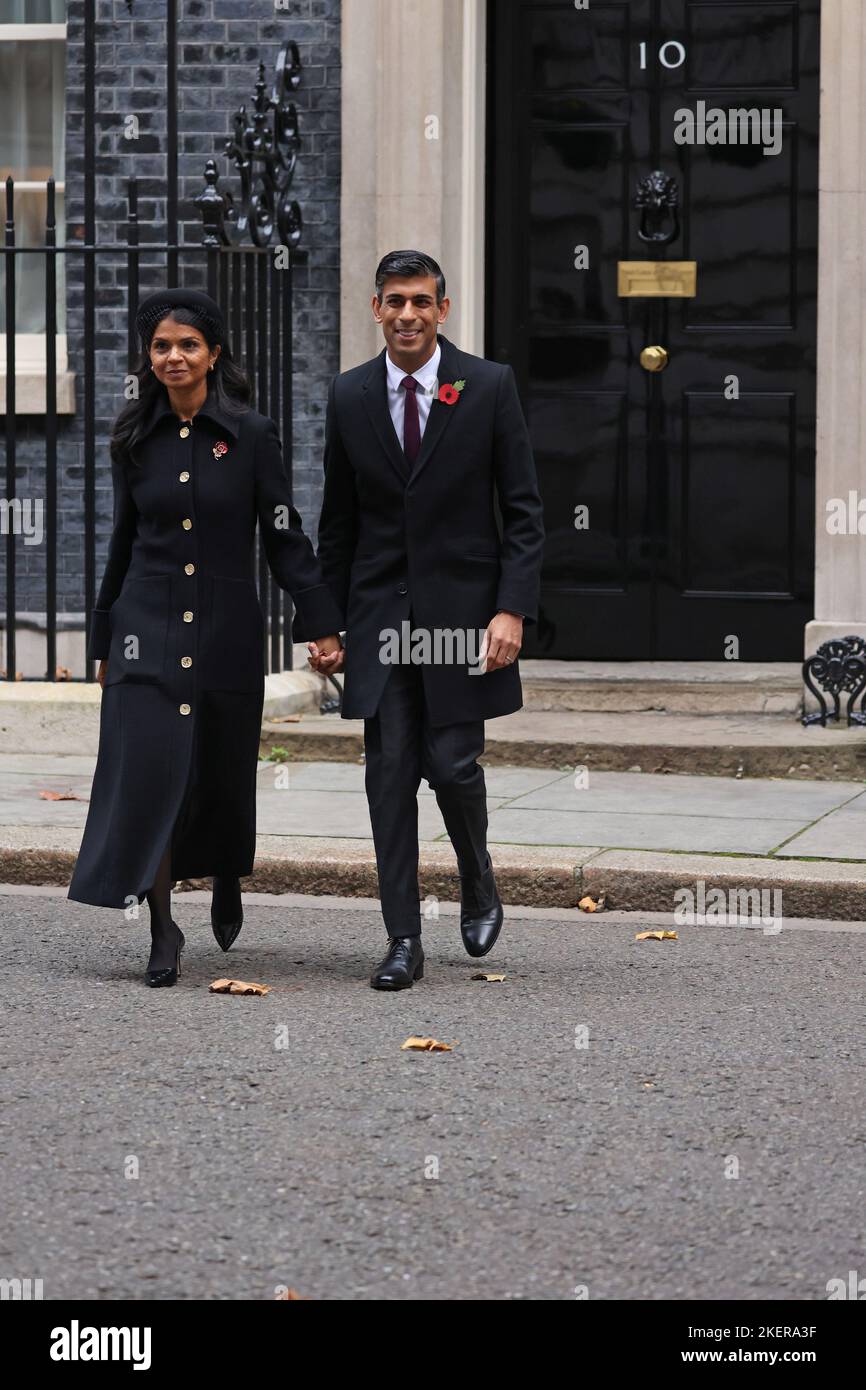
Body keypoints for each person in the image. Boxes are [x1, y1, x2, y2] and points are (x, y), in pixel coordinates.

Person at [67, 287, 343, 986]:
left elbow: (284, 535)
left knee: (217, 771)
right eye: (161, 346)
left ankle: (223, 871)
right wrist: (104, 641)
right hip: (145, 627)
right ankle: (163, 926)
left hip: (225, 629)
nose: (174, 357)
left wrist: (320, 623)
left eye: (188, 344)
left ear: (214, 354)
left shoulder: (249, 435)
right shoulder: (133, 436)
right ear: (148, 356)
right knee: (151, 775)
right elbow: (123, 543)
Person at [307, 250, 545, 989]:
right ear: (375, 309)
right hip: (380, 617)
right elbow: (338, 524)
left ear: (443, 309)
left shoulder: (488, 386)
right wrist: (325, 622)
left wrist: (511, 609)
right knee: (388, 777)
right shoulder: (348, 396)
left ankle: (478, 878)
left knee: (451, 765)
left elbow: (525, 514)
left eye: (420, 301)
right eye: (393, 301)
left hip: (462, 620)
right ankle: (403, 940)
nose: (407, 314)